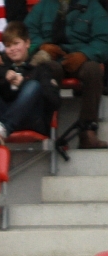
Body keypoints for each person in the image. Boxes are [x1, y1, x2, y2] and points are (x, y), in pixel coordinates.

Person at [0, 21, 61, 144]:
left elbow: (54, 102)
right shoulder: (3, 66)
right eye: (8, 46)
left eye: (16, 43)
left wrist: (23, 83)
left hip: (31, 120)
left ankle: (4, 127)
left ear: (27, 43)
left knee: (33, 85)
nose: (12, 49)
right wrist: (4, 73)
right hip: (0, 120)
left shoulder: (42, 68)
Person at [25, 0, 108, 149]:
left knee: (93, 69)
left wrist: (85, 54)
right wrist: (41, 46)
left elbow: (103, 39)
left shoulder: (93, 6)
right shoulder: (43, 6)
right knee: (48, 69)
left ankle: (87, 131)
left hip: (81, 57)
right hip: (52, 58)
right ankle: (48, 129)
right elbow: (27, 32)